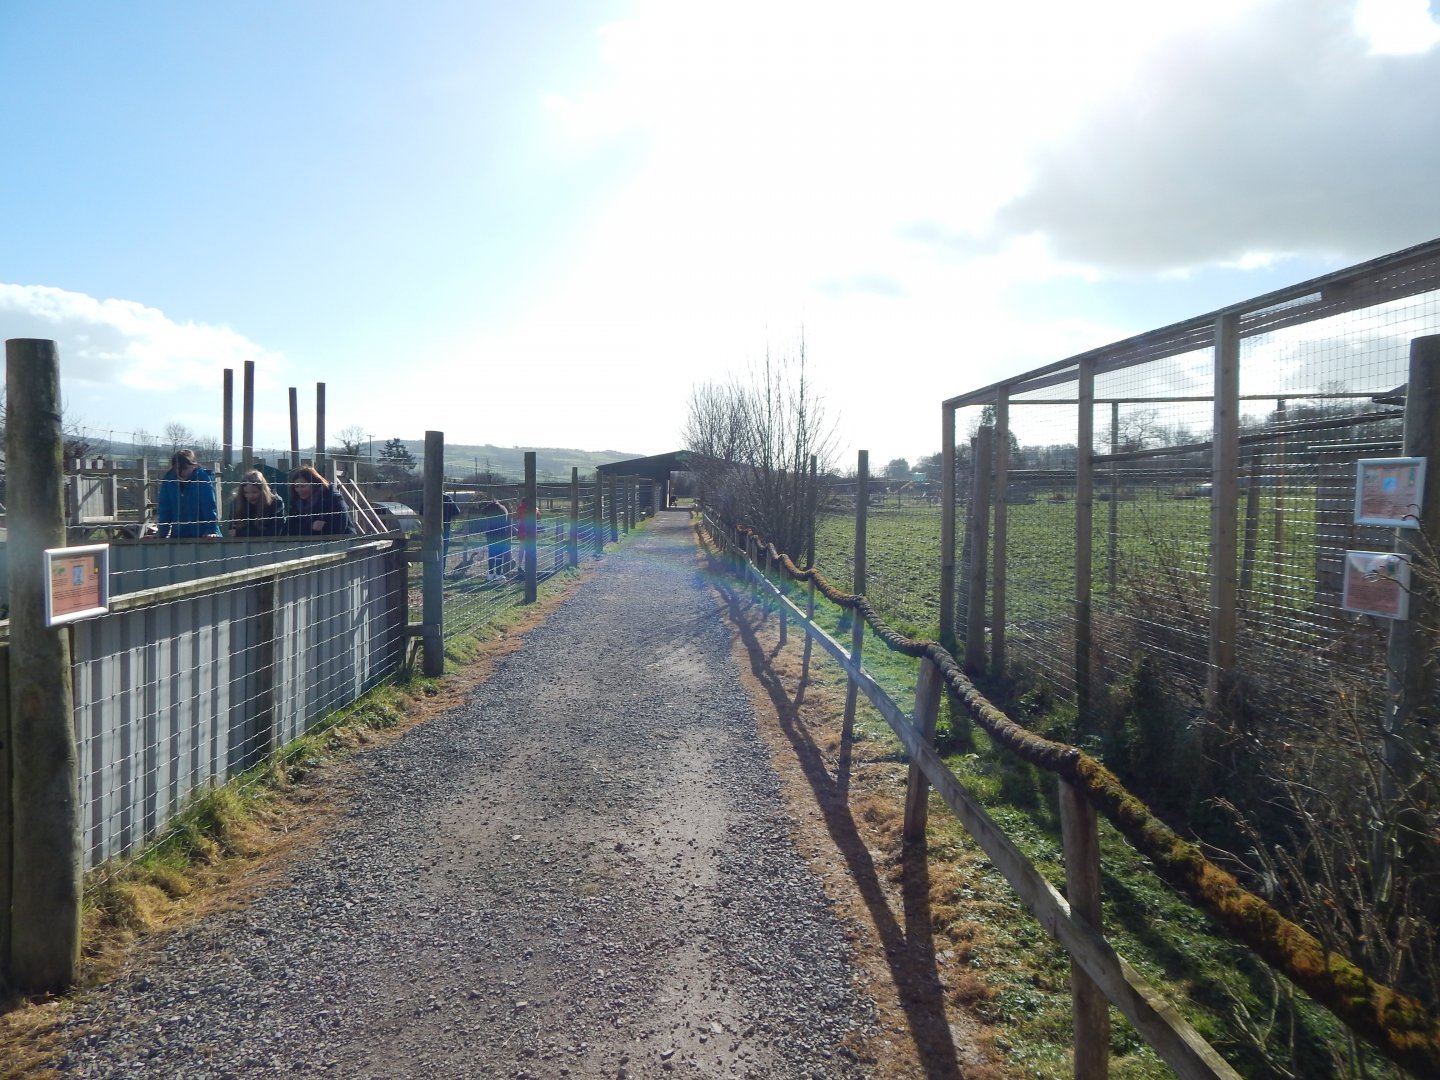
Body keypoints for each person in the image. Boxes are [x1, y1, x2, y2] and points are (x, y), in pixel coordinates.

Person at [155, 449, 222, 538]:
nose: (180, 472)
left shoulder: (202, 478)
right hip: (178, 535)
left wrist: (211, 530)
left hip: (204, 535)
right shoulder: (169, 480)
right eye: (176, 468)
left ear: (194, 466)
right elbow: (164, 509)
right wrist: (161, 534)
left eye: (185, 468)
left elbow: (209, 506)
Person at [285, 465, 353, 536]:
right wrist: (312, 527)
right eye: (296, 486)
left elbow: (339, 528)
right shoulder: (297, 502)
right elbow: (291, 528)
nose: (299, 490)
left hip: (344, 543)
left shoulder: (333, 498)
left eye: (303, 486)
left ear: (314, 485)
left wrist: (322, 527)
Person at [228, 470, 286, 537]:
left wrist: (240, 532)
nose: (250, 496)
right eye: (246, 493)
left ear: (263, 491)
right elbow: (231, 531)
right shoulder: (237, 503)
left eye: (254, 492)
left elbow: (274, 532)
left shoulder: (275, 502)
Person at [476, 500, 511, 579]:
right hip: (501, 534)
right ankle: (498, 574)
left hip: (491, 533)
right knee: (499, 555)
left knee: (491, 554)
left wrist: (489, 505)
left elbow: (483, 511)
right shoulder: (503, 508)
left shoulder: (490, 507)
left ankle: (490, 574)